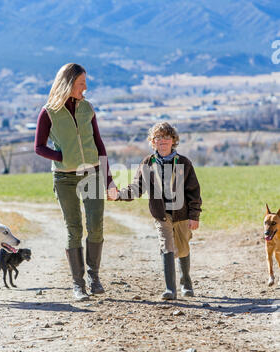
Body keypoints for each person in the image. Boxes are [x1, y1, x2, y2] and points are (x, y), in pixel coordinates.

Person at [35, 63, 116, 301]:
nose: (85, 87)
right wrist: (62, 156)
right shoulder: (48, 111)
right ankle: (78, 284)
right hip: (64, 177)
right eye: (81, 83)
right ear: (68, 83)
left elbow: (99, 145)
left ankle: (94, 277)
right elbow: (39, 147)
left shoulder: (87, 108)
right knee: (74, 229)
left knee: (96, 225)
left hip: (92, 173)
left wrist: (109, 180)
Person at [108, 122, 202, 300]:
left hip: (181, 213)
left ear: (173, 140)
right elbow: (137, 187)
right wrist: (118, 195)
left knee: (182, 249)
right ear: (153, 142)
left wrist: (194, 215)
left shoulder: (183, 162)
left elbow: (194, 192)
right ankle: (170, 289)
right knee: (166, 246)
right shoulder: (147, 163)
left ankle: (186, 282)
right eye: (158, 138)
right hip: (161, 214)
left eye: (166, 137)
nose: (163, 141)